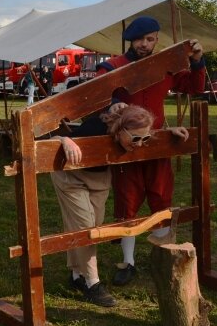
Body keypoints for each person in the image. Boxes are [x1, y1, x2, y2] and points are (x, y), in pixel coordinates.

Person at [95, 16, 206, 286]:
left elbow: (194, 87)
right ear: (130, 40)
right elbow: (98, 96)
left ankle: (164, 258)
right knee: (127, 203)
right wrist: (112, 105)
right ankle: (128, 261)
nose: (145, 44)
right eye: (140, 39)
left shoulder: (166, 68)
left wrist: (197, 60)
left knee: (161, 198)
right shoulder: (112, 67)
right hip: (126, 147)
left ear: (157, 40)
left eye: (150, 39)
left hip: (156, 145)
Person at [52, 105, 189, 307]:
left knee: (93, 226)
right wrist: (65, 140)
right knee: (86, 228)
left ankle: (76, 275)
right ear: (120, 130)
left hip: (99, 180)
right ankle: (92, 283)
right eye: (135, 139)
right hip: (71, 177)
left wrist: (168, 133)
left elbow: (143, 133)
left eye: (145, 139)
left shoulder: (134, 133)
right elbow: (49, 142)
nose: (140, 144)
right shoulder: (95, 127)